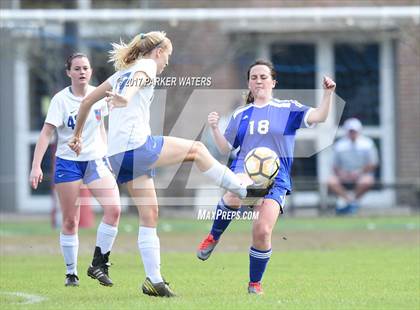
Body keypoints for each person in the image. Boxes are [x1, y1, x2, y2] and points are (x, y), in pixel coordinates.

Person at [68, 31, 257, 297]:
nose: (167, 61)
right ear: (158, 52)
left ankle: (152, 281)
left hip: (118, 155)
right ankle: (242, 189)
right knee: (198, 149)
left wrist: (76, 136)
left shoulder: (121, 73)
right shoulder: (146, 65)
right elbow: (138, 80)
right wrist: (127, 97)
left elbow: (87, 100)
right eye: (167, 55)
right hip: (136, 146)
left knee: (150, 215)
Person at [196, 59, 336, 295]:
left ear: (273, 82)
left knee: (262, 231)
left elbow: (320, 116)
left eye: (263, 77)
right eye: (254, 77)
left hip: (276, 179)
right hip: (244, 171)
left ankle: (254, 285)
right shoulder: (241, 114)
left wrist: (328, 94)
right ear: (249, 84)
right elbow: (224, 149)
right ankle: (213, 236)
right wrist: (215, 129)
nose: (258, 81)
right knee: (233, 194)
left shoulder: (288, 108)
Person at [29, 53, 122, 287]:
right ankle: (71, 273)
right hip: (68, 163)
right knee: (71, 220)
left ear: (91, 72)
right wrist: (36, 166)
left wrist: (108, 155)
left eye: (86, 68)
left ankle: (99, 264)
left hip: (96, 161)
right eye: (77, 68)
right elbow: (46, 133)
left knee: (114, 210)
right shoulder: (60, 100)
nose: (82, 72)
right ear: (68, 72)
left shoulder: (98, 96)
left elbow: (101, 127)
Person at [327, 118, 378, 214]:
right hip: (343, 175)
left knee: (367, 180)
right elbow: (334, 165)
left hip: (361, 174)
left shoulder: (367, 144)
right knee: (331, 181)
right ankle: (350, 202)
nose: (353, 134)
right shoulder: (339, 145)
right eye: (351, 131)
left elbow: (372, 164)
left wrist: (359, 172)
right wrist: (343, 174)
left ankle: (350, 203)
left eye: (354, 131)